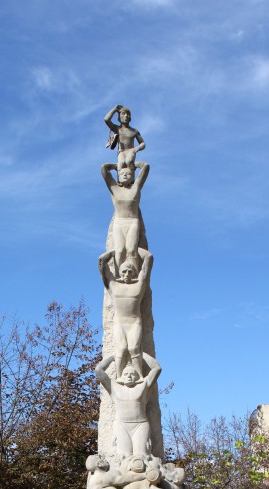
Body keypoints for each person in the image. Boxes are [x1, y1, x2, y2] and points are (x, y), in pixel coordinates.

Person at [98, 248, 153, 378]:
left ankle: (139, 376)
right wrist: (114, 252)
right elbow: (101, 262)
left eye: (130, 271)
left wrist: (134, 248)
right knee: (121, 349)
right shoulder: (113, 286)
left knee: (134, 349)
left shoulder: (139, 285)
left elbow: (148, 259)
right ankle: (118, 377)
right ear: (120, 273)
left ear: (134, 273)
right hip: (119, 322)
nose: (127, 273)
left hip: (134, 322)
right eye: (124, 271)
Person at [95, 352, 161, 457]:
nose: (129, 376)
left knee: (141, 457)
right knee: (124, 456)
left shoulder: (144, 386)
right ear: (121, 376)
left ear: (136, 377)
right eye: (126, 374)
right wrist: (112, 357)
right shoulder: (114, 387)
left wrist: (141, 353)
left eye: (132, 374)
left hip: (141, 424)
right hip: (121, 424)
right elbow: (99, 370)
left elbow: (157, 368)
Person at [101, 161, 149, 269]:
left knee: (132, 250)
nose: (125, 175)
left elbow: (145, 167)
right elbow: (104, 169)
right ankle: (119, 276)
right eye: (122, 174)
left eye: (128, 173)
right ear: (118, 177)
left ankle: (134, 275)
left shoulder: (135, 188)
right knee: (120, 251)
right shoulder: (114, 188)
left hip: (132, 222)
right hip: (119, 222)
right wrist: (116, 166)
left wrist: (132, 164)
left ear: (133, 177)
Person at [104, 104, 145, 170]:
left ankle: (131, 179)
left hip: (131, 150)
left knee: (129, 161)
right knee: (121, 164)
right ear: (119, 118)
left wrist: (135, 149)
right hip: (121, 151)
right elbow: (106, 119)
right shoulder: (116, 129)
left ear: (130, 118)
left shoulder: (134, 131)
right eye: (123, 114)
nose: (126, 116)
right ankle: (120, 179)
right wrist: (115, 109)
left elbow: (142, 143)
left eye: (127, 115)